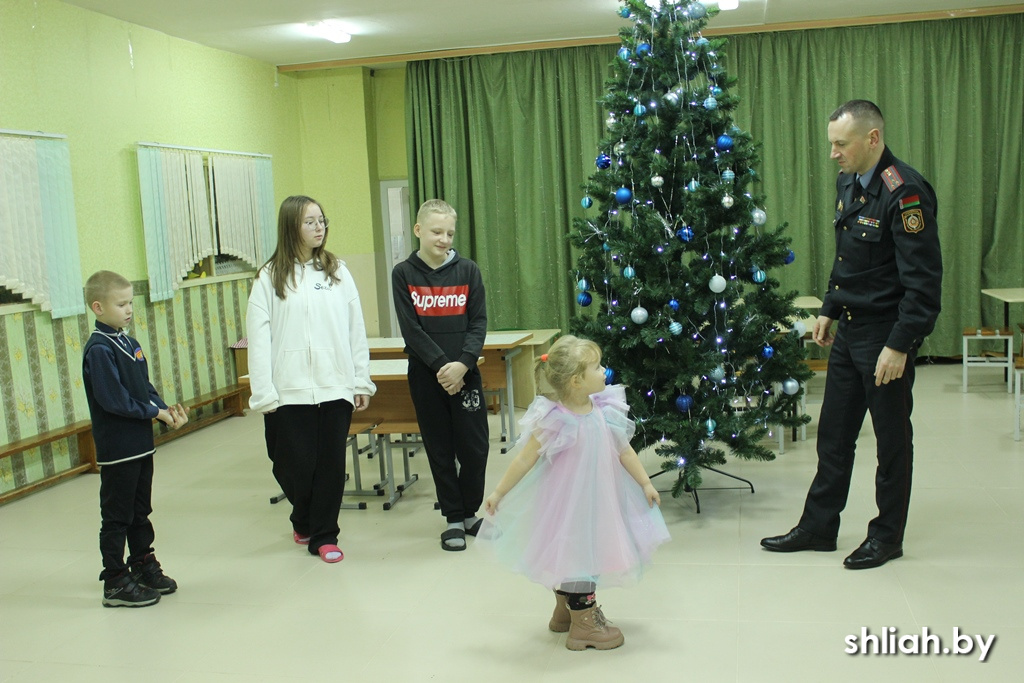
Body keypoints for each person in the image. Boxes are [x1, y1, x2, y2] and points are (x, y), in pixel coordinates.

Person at [761, 100, 942, 569]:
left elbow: (924, 285)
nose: (833, 154)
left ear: (873, 139)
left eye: (841, 144)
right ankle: (819, 527)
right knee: (834, 436)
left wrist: (900, 345)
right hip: (850, 329)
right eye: (832, 144)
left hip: (886, 336)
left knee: (891, 441)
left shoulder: (905, 192)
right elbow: (848, 257)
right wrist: (829, 307)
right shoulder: (849, 181)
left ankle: (886, 537)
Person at [478, 335, 670, 651]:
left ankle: (565, 611)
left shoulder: (605, 410)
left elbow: (625, 451)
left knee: (574, 553)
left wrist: (645, 483)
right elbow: (525, 458)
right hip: (567, 505)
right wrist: (499, 492)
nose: (605, 371)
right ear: (576, 381)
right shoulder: (555, 418)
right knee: (581, 554)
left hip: (599, 501)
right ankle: (584, 624)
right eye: (597, 367)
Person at [247, 195, 375, 563]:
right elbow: (259, 338)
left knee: (331, 465)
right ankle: (302, 517)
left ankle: (325, 535)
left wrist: (360, 380)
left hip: (335, 385)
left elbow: (355, 329)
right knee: (291, 466)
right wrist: (263, 392)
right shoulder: (269, 277)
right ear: (291, 227)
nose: (319, 227)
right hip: (288, 390)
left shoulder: (337, 272)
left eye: (322, 220)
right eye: (310, 222)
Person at [82, 270, 189, 607]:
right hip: (118, 449)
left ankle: (142, 563)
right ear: (98, 307)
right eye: (121, 304)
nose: (129, 309)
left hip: (141, 445)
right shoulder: (99, 349)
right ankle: (114, 580)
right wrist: (155, 413)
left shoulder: (129, 343)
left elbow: (144, 389)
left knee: (140, 510)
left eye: (130, 302)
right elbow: (114, 401)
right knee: (117, 515)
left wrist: (166, 411)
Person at [391, 199, 489, 551]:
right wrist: (442, 367)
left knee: (475, 448)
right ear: (418, 230)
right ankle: (453, 518)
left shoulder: (468, 271)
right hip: (426, 376)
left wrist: (462, 364)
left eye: (449, 233)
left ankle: (470, 512)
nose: (444, 239)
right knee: (440, 449)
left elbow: (478, 322)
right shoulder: (403, 273)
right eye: (436, 232)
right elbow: (411, 330)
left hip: (466, 373)